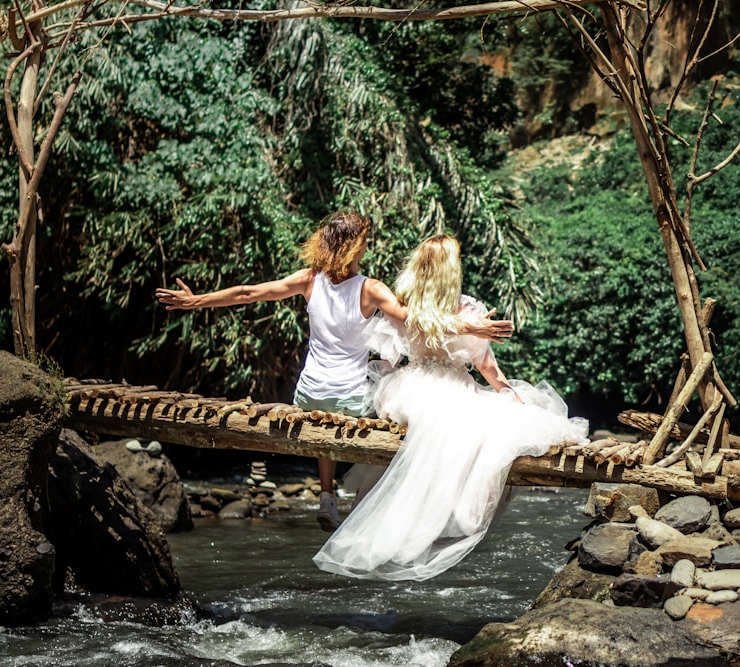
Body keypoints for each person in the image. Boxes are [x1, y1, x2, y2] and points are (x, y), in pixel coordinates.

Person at [155, 212, 513, 531]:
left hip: (308, 393)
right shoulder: (370, 289)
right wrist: (471, 328)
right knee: (380, 402)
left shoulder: (308, 280)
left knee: (322, 413)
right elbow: (413, 321)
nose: (367, 249)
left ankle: (326, 494)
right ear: (354, 247)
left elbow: (250, 293)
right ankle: (387, 500)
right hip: (353, 397)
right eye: (364, 243)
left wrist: (196, 300)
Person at [313, 234, 588, 581]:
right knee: (491, 425)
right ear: (451, 269)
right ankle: (445, 518)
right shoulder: (466, 309)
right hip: (450, 385)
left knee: (457, 424)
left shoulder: (402, 302)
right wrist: (506, 390)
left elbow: (387, 358)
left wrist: (380, 394)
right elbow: (487, 367)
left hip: (407, 388)